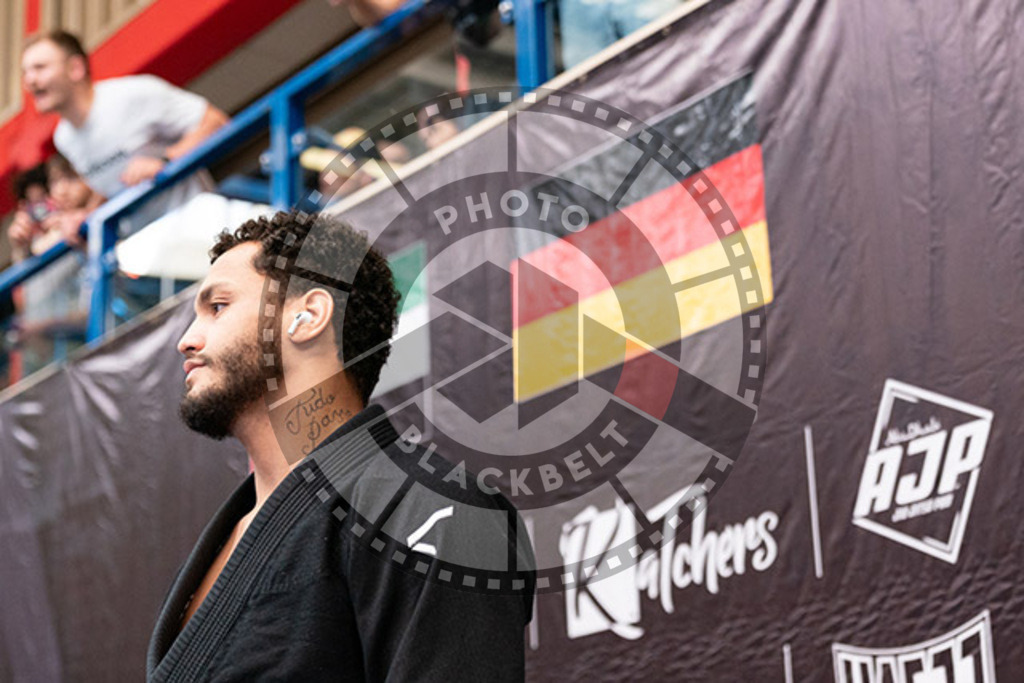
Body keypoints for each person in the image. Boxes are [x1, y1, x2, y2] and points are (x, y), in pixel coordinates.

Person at [147, 210, 534, 681]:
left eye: (218, 307)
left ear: (308, 316)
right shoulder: (223, 542)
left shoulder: (431, 514)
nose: (187, 340)